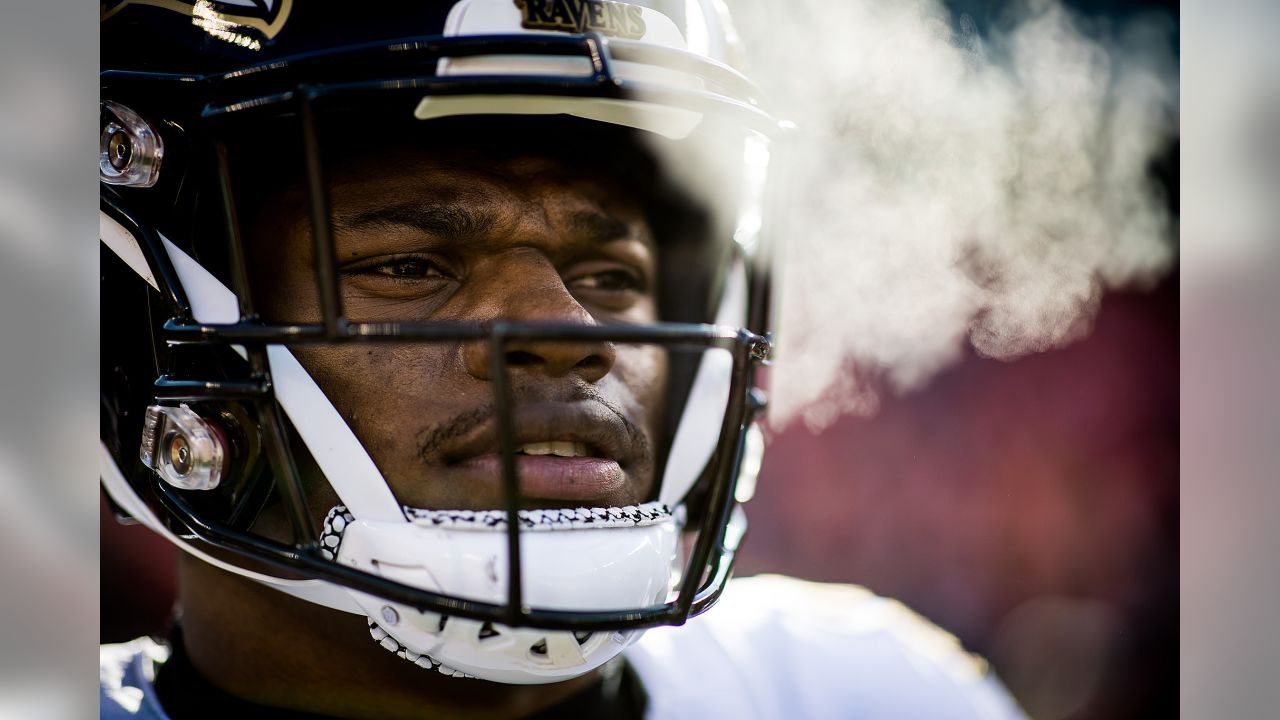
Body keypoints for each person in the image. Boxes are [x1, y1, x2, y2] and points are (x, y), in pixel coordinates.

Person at [100, 2, 1027, 717]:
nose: (568, 329)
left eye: (608, 273)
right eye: (409, 267)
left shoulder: (868, 695)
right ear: (135, 329)